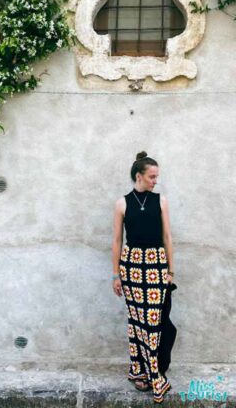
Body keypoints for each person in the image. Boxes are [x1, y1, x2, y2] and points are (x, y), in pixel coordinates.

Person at [111, 151, 175, 404]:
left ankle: (154, 371)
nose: (155, 181)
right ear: (139, 176)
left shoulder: (161, 201)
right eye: (151, 176)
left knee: (153, 321)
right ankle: (139, 372)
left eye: (157, 177)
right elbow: (117, 240)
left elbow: (168, 237)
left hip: (157, 265)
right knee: (136, 321)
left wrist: (171, 271)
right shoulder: (122, 203)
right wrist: (116, 274)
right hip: (132, 267)